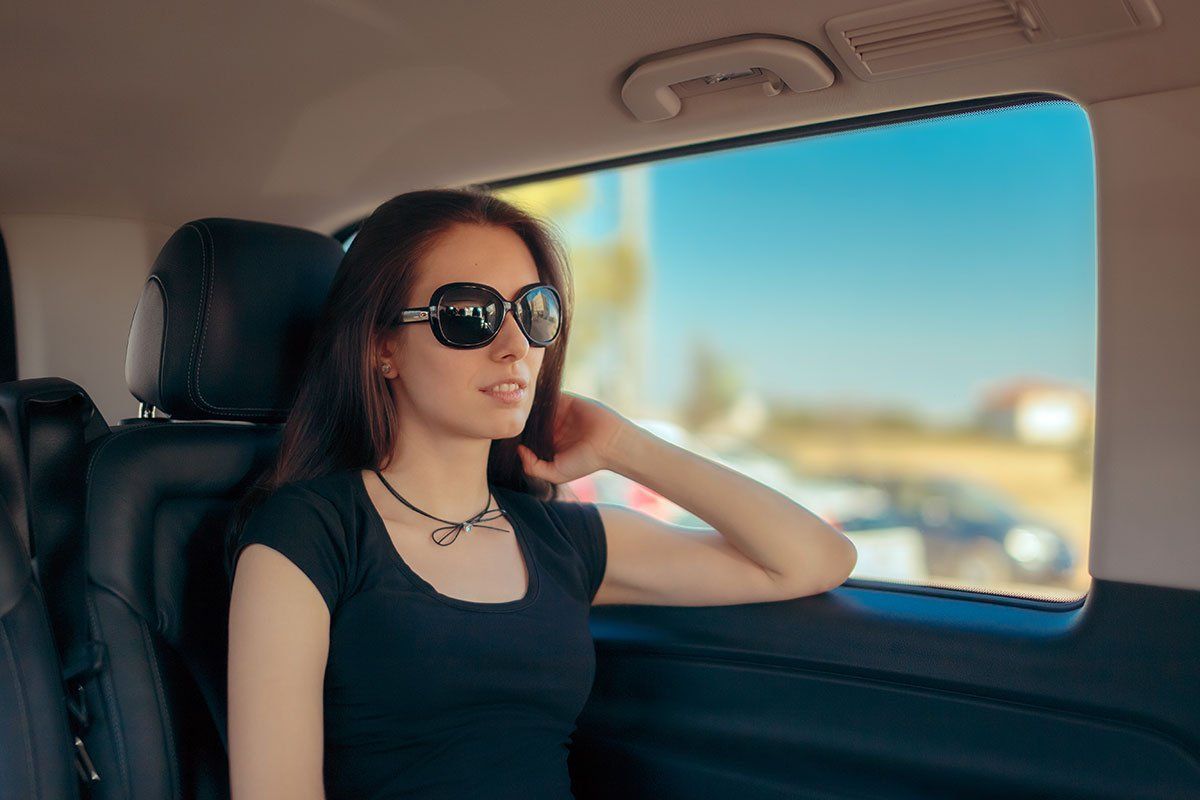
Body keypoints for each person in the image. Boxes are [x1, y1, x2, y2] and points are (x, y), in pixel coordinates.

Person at [225, 187, 857, 800]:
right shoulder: (309, 536)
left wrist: (621, 445)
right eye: (469, 317)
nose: (515, 348)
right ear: (381, 347)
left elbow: (814, 558)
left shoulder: (562, 540)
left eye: (533, 312)